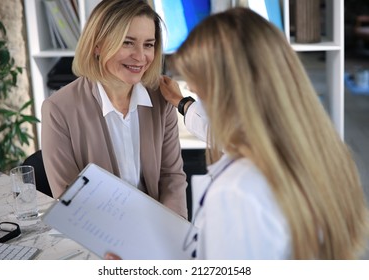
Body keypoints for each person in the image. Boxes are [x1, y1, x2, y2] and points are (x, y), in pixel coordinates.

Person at [158, 7, 368, 259]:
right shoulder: (320, 154)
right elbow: (229, 135)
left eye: (201, 92)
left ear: (229, 94)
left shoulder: (237, 192)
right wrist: (183, 103)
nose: (199, 98)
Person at [41, 0, 188, 219]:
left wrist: (172, 237)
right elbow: (70, 198)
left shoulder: (160, 99)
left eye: (148, 44)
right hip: (98, 235)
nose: (140, 56)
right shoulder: (58, 109)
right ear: (98, 45)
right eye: (128, 43)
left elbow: (172, 178)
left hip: (156, 229)